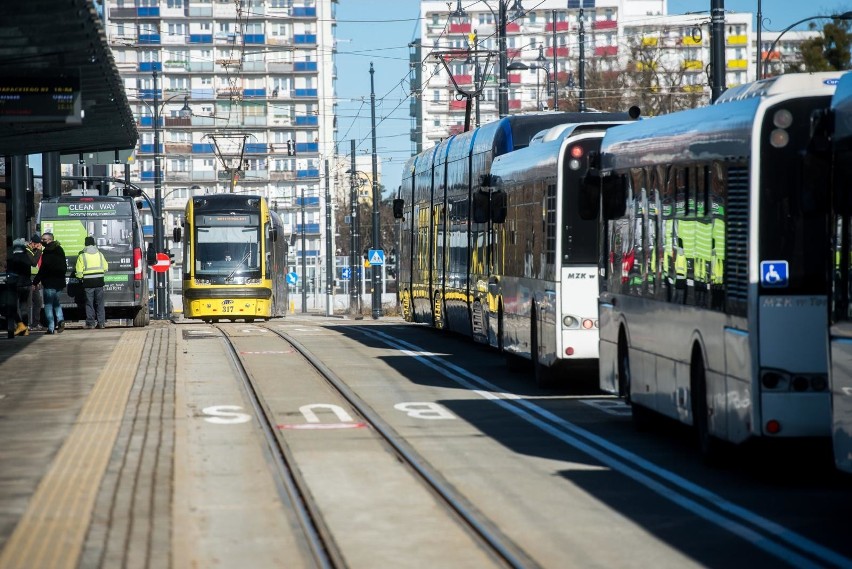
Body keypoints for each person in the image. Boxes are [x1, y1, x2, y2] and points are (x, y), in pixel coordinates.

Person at [32, 232, 67, 334]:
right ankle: (60, 320)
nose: (42, 241)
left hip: (49, 282)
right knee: (56, 303)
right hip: (59, 282)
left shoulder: (47, 252)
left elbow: (43, 269)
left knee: (48, 305)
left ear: (50, 240)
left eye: (44, 239)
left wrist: (35, 281)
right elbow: (64, 266)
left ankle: (51, 327)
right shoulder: (60, 250)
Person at [75, 236, 109, 329]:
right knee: (100, 303)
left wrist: (80, 277)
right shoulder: (100, 254)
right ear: (94, 244)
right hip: (99, 281)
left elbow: (78, 271)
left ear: (85, 244)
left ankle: (90, 323)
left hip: (88, 283)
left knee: (89, 303)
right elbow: (106, 267)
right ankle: (101, 323)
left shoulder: (82, 255)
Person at [6, 238, 37, 336]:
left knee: (11, 306)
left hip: (16, 285)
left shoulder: (12, 258)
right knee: (24, 307)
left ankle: (20, 325)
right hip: (27, 285)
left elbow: (9, 272)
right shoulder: (27, 257)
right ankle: (26, 329)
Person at [28, 233, 44, 330]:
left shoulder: (35, 251)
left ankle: (35, 323)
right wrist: (39, 251)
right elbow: (34, 263)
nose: (38, 246)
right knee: (29, 302)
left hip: (35, 279)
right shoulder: (27, 251)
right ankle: (28, 323)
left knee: (38, 302)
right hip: (29, 279)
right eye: (37, 244)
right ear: (33, 243)